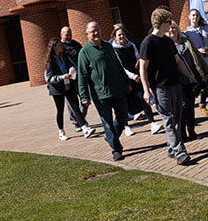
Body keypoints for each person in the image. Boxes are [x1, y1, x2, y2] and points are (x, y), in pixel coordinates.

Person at [140, 8, 192, 165]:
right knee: (168, 119)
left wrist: (190, 75)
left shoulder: (168, 41)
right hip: (160, 88)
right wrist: (146, 90)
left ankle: (171, 147)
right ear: (162, 23)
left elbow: (178, 61)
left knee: (177, 117)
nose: (171, 25)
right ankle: (180, 152)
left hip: (175, 84)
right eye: (169, 22)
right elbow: (143, 68)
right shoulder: (148, 42)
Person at [78, 21, 131, 161]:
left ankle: (110, 137)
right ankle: (116, 149)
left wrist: (127, 81)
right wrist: (84, 96)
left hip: (118, 89)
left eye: (97, 30)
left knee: (122, 117)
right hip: (101, 93)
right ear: (87, 34)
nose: (96, 33)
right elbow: (82, 76)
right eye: (92, 31)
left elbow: (118, 66)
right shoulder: (84, 52)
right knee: (106, 122)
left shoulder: (108, 46)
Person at [110, 23, 158, 136]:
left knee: (144, 98)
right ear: (115, 37)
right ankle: (126, 127)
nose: (122, 37)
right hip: (124, 79)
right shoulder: (114, 50)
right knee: (124, 104)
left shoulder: (131, 45)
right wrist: (132, 76)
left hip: (137, 78)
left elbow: (138, 56)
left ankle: (153, 123)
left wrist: (138, 63)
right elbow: (120, 67)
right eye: (119, 35)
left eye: (123, 34)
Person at [44, 38, 95, 141]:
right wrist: (62, 77)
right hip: (57, 88)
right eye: (59, 45)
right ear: (54, 47)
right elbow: (48, 78)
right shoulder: (50, 61)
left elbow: (73, 65)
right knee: (60, 110)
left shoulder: (65, 56)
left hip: (68, 85)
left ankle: (85, 128)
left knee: (75, 106)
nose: (61, 46)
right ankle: (61, 131)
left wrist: (74, 70)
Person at [167, 20, 207, 141]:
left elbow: (197, 56)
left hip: (191, 80)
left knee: (190, 107)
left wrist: (205, 71)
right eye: (169, 29)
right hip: (177, 83)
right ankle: (182, 133)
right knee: (182, 109)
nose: (172, 30)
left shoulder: (186, 42)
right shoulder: (167, 46)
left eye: (173, 28)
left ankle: (192, 131)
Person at [184, 8, 208, 117]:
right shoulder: (187, 33)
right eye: (192, 15)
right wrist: (198, 50)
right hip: (199, 62)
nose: (195, 17)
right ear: (189, 17)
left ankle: (202, 104)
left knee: (206, 84)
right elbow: (189, 47)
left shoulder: (207, 29)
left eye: (196, 15)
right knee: (206, 84)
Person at [60, 26, 88, 132]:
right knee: (71, 102)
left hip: (79, 76)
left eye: (70, 34)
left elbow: (83, 56)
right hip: (67, 77)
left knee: (84, 99)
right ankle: (76, 122)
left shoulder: (76, 44)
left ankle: (80, 118)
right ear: (61, 35)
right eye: (66, 34)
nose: (69, 36)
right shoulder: (60, 46)